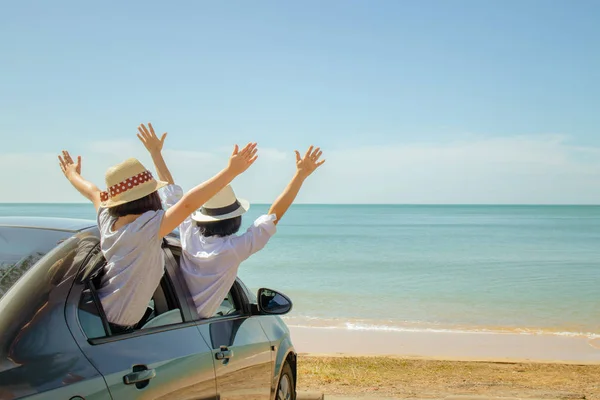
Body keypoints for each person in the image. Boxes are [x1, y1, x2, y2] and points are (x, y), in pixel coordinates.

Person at [58, 123, 258, 332]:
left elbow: (93, 192)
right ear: (150, 197)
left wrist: (72, 175)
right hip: (114, 326)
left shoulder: (108, 220)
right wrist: (230, 172)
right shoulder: (147, 228)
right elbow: (188, 203)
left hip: (95, 313)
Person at [137, 124, 325, 319]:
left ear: (203, 216)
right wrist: (300, 175)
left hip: (173, 315)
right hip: (197, 323)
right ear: (235, 219)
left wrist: (155, 153)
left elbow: (171, 193)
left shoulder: (188, 231)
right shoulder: (233, 249)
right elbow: (274, 215)